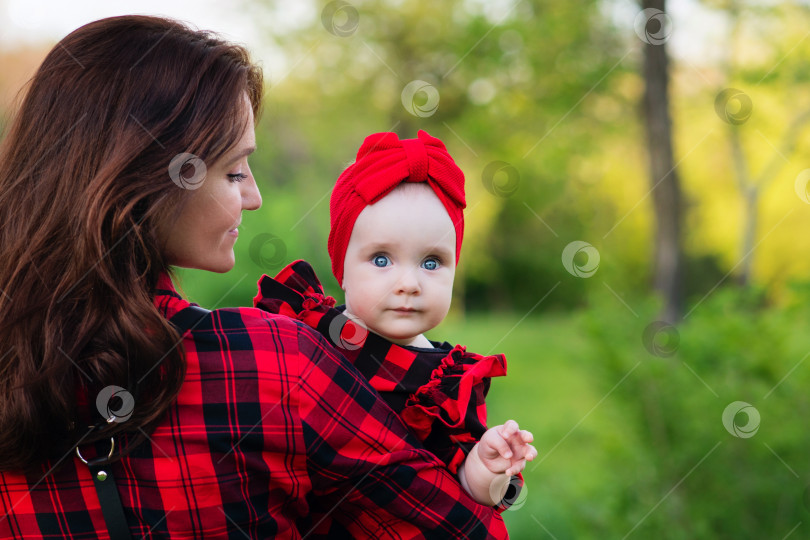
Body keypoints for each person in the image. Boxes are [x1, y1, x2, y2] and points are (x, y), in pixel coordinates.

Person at [0, 16, 511, 539]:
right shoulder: (275, 369)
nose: (254, 196)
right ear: (148, 177)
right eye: (235, 171)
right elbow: (464, 532)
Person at [253, 131, 537, 511]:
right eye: (382, 260)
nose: (408, 284)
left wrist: (487, 465)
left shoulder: (447, 385)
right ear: (343, 270)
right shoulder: (308, 334)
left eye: (432, 262)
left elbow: (469, 492)